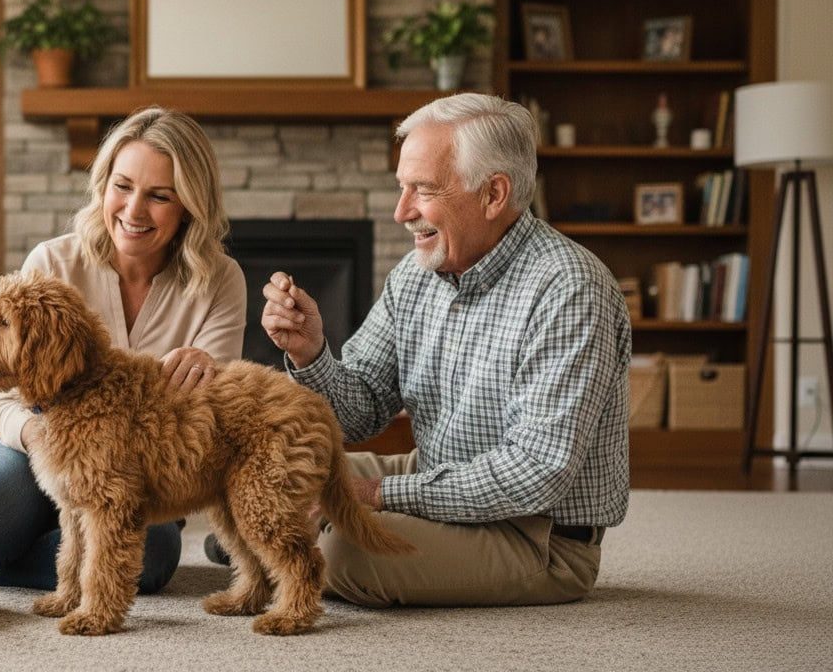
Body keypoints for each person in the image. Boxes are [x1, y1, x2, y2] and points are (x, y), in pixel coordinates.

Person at [247, 92, 631, 607]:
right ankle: (275, 536)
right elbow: (359, 412)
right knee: (268, 467)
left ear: (494, 194)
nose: (402, 211)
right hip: (436, 478)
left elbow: (538, 471)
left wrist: (377, 497)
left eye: (422, 190)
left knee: (344, 554)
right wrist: (310, 354)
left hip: (535, 535)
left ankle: (278, 543)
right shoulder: (418, 272)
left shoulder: (570, 288)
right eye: (402, 187)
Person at [0, 106, 247, 594]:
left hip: (134, 466)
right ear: (103, 185)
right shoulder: (53, 260)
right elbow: (7, 397)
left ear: (190, 206)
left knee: (151, 557)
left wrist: (209, 367)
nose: (133, 211)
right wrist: (45, 441)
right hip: (33, 438)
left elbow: (210, 410)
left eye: (159, 196)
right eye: (122, 186)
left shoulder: (220, 280)